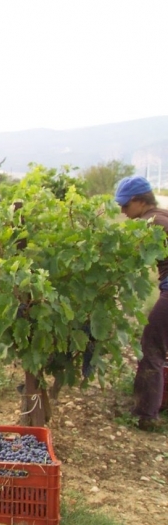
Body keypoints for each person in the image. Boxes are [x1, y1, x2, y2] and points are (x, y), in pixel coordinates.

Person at [115, 175, 167, 431]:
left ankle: (146, 415)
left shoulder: (151, 222)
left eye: (125, 206)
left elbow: (127, 260)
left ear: (139, 201)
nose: (123, 212)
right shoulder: (163, 215)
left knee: (152, 349)